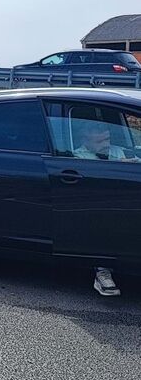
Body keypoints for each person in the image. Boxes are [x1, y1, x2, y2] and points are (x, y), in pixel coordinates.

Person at [72, 120, 136, 296]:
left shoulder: (116, 151)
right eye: (100, 142)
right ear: (85, 140)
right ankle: (102, 271)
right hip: (95, 204)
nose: (106, 145)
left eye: (107, 139)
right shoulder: (79, 156)